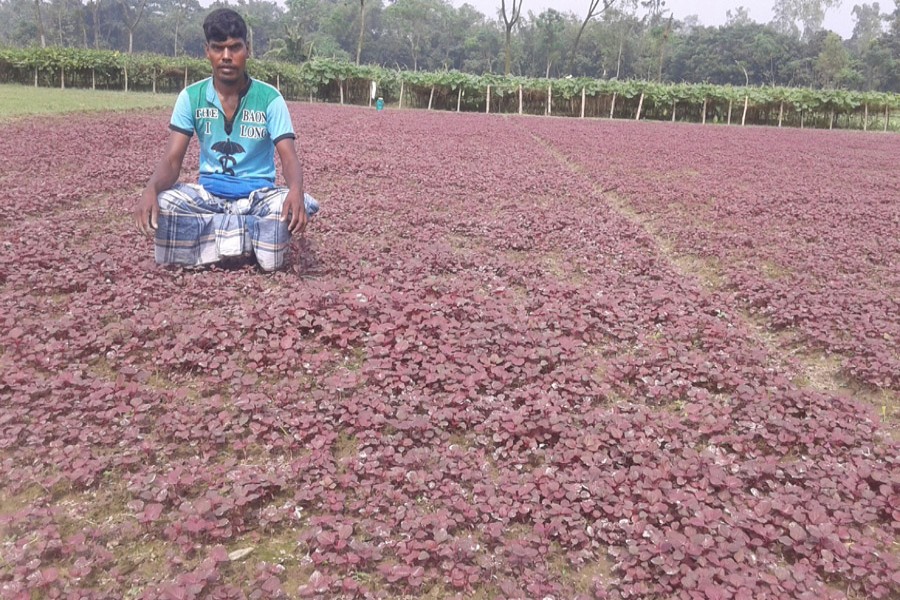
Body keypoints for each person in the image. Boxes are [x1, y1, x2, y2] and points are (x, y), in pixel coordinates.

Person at [133, 8, 317, 271]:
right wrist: (151, 189)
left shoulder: (270, 99)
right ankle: (247, 241)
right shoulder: (190, 97)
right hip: (208, 197)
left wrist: (296, 191)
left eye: (235, 47)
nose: (227, 57)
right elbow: (172, 161)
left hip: (258, 198)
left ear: (248, 49)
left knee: (283, 211)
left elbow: (289, 158)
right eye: (218, 48)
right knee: (165, 204)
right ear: (207, 51)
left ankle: (212, 244)